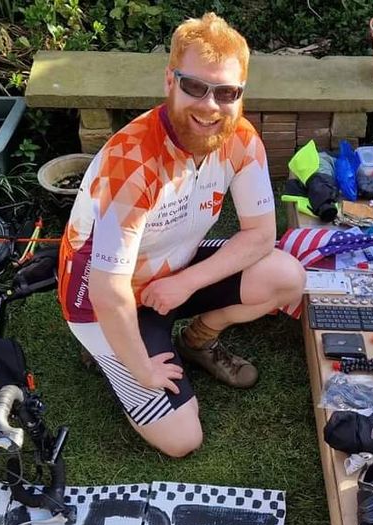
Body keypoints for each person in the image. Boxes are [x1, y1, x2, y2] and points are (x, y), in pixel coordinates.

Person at [58, 13, 305, 458]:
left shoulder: (243, 139)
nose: (211, 106)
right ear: (169, 80)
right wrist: (143, 371)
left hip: (173, 271)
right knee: (182, 440)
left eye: (226, 92)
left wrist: (185, 283)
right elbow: (107, 291)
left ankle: (196, 340)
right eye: (195, 86)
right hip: (103, 300)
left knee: (286, 276)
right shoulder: (131, 161)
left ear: (241, 94)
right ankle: (111, 356)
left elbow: (261, 236)